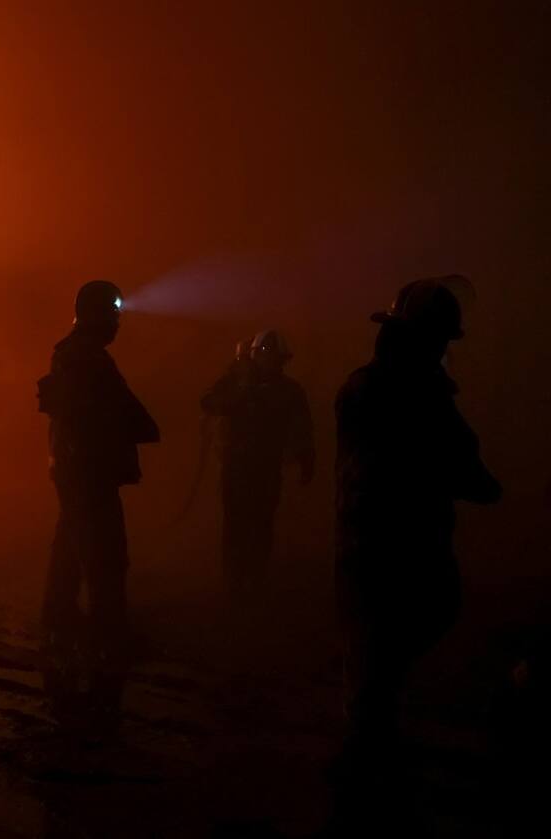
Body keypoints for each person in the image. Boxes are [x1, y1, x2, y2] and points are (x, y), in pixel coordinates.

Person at [335, 277, 500, 765]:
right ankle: (365, 776)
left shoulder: (369, 386)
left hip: (370, 544)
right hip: (394, 545)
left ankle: (366, 755)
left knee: (376, 650)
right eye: (440, 340)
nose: (444, 350)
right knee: (384, 647)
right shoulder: (412, 394)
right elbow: (461, 464)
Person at [37, 280, 160, 723]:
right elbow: (116, 409)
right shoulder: (88, 359)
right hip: (89, 473)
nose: (118, 322)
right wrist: (147, 427)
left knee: (70, 545)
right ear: (99, 315)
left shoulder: (72, 355)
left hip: (75, 470)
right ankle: (108, 636)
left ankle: (58, 618)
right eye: (114, 313)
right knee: (107, 554)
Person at [201, 329, 314, 598]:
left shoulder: (289, 391)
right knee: (237, 524)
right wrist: (240, 389)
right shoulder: (238, 384)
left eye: (275, 357)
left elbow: (302, 428)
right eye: (266, 355)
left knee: (261, 523)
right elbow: (208, 403)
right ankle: (236, 581)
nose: (271, 361)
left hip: (264, 468)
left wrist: (307, 458)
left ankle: (253, 579)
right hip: (237, 467)